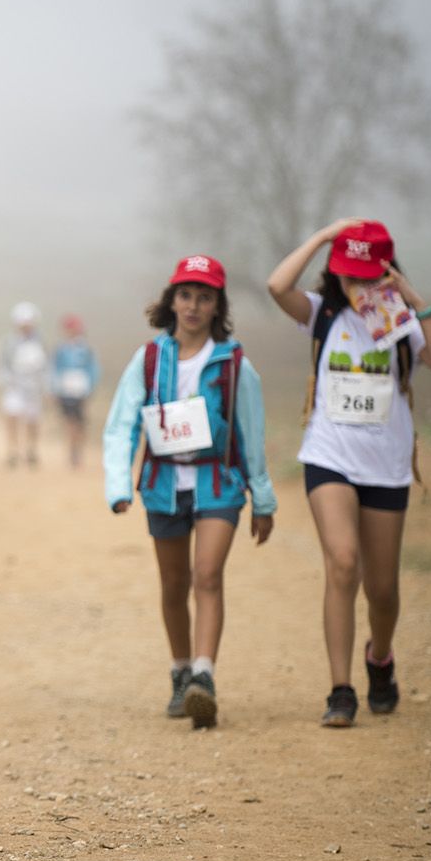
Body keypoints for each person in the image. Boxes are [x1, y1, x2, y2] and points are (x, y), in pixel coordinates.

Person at [266, 219, 431, 727]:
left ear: (387, 273)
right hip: (329, 456)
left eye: (367, 277)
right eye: (348, 277)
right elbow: (276, 286)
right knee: (342, 563)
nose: (357, 288)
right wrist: (321, 236)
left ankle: (380, 658)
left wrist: (415, 301)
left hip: (387, 467)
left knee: (383, 590)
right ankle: (340, 689)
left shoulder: (401, 321)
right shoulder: (321, 312)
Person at [102, 255, 276, 729]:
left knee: (207, 576)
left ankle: (204, 675)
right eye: (185, 295)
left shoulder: (234, 363)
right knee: (174, 585)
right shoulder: (150, 358)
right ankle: (180, 671)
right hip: (163, 486)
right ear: (171, 301)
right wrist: (119, 484)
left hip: (217, 485)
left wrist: (263, 500)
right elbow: (121, 424)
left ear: (217, 305)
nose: (193, 306)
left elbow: (251, 432)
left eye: (204, 297)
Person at [0, 302, 48, 467]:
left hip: (33, 388)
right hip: (14, 387)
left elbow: (46, 365)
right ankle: (13, 450)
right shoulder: (8, 342)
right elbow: (0, 364)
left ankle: (31, 449)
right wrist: (6, 381)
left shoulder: (39, 341)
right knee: (12, 417)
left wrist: (44, 385)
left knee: (33, 420)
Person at [51, 314, 100, 469]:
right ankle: (72, 451)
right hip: (65, 390)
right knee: (69, 422)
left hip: (81, 390)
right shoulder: (61, 349)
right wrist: (54, 389)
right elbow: (55, 369)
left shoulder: (85, 350)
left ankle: (78, 451)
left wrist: (91, 387)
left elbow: (93, 369)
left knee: (80, 422)